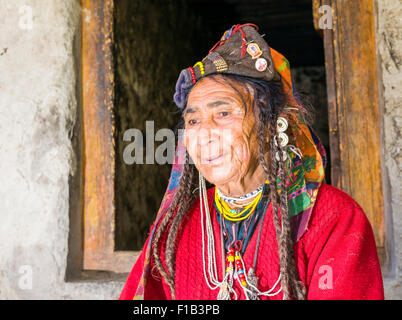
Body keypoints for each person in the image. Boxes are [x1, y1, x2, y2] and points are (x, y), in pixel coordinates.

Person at [119, 23, 384, 300]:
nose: (204, 134)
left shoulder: (332, 218)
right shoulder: (176, 226)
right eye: (193, 120)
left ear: (271, 124)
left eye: (223, 113)